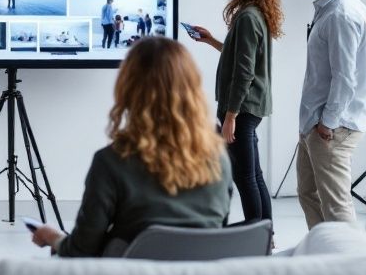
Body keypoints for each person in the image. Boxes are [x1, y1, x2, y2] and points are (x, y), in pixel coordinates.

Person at [30, 38, 231, 257]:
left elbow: (81, 250)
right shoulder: (218, 158)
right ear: (193, 89)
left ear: (128, 89)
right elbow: (216, 233)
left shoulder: (111, 161)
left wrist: (52, 237)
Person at [191, 0, 283, 225]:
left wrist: (230, 116)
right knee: (253, 175)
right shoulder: (254, 13)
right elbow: (239, 56)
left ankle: (257, 235)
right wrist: (210, 41)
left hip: (242, 108)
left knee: (245, 177)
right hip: (250, 105)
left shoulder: (247, 17)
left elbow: (244, 71)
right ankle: (267, 234)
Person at [297, 0, 366, 228]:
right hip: (315, 124)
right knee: (308, 193)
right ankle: (324, 258)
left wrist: (327, 123)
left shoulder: (341, 14)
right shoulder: (332, 8)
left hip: (331, 128)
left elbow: (345, 77)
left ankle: (349, 268)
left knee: (336, 206)